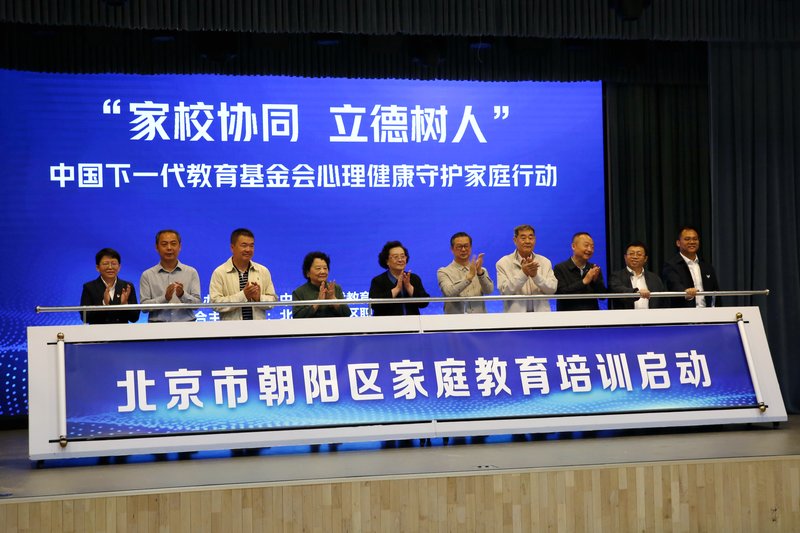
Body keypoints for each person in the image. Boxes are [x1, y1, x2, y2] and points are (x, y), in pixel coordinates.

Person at [209, 228, 277, 320]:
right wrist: (243, 295)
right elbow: (215, 304)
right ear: (232, 247)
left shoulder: (263, 271)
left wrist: (259, 298)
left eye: (251, 246)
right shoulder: (220, 272)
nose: (248, 249)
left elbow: (273, 300)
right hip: (231, 328)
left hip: (258, 327)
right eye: (244, 245)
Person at [139, 229, 202, 322]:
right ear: (157, 247)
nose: (169, 248)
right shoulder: (147, 275)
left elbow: (197, 305)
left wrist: (182, 295)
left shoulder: (191, 272)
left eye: (173, 244)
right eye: (164, 244)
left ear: (180, 247)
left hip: (187, 326)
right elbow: (144, 307)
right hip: (157, 327)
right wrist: (164, 298)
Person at [495, 224, 557, 312]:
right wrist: (523, 274)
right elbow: (504, 291)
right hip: (515, 318)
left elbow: (552, 289)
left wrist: (535, 276)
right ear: (515, 240)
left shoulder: (545, 262)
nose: (527, 241)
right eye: (523, 238)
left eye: (531, 238)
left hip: (541, 316)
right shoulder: (503, 263)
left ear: (535, 240)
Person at [437, 232, 494, 314]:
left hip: (479, 319)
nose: (463, 249)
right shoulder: (443, 272)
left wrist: (480, 274)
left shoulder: (481, 270)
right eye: (459, 247)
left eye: (466, 246)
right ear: (452, 249)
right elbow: (449, 293)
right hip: (456, 320)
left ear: (470, 247)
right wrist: (468, 279)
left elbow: (489, 291)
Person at [662, 226, 720, 308]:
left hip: (707, 313)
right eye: (687, 239)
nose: (692, 242)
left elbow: (716, 293)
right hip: (684, 313)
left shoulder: (707, 266)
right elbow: (675, 286)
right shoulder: (671, 265)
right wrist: (686, 293)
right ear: (678, 243)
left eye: (695, 239)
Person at [369, 241, 430, 316]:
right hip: (386, 322)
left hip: (412, 322)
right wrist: (397, 289)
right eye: (396, 257)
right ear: (387, 261)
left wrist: (408, 286)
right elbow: (374, 305)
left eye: (402, 256)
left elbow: (424, 303)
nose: (400, 260)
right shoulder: (378, 281)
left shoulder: (414, 278)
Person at [80, 248, 140, 324]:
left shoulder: (127, 286)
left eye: (114, 264)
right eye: (105, 264)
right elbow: (85, 317)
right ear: (97, 267)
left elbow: (135, 318)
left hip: (122, 330)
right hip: (98, 330)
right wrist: (104, 304)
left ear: (119, 267)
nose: (110, 267)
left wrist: (125, 304)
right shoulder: (89, 287)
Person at [553, 232, 606, 311]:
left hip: (591, 315)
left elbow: (603, 297)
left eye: (592, 247)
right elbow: (561, 294)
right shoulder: (560, 268)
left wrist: (595, 281)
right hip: (568, 315)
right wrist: (584, 282)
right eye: (586, 245)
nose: (590, 249)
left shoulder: (594, 268)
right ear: (573, 246)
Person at [608, 241, 665, 310]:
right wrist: (636, 293)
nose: (635, 257)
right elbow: (618, 290)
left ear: (645, 258)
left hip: (652, 316)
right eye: (631, 254)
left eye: (639, 254)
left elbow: (663, 301)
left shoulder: (654, 278)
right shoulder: (616, 276)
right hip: (626, 316)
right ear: (625, 257)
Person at [291, 251, 351, 318]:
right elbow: (297, 316)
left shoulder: (335, 288)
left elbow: (347, 314)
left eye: (325, 268)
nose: (323, 271)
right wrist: (318, 302)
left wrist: (333, 299)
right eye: (318, 268)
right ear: (308, 273)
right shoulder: (299, 292)